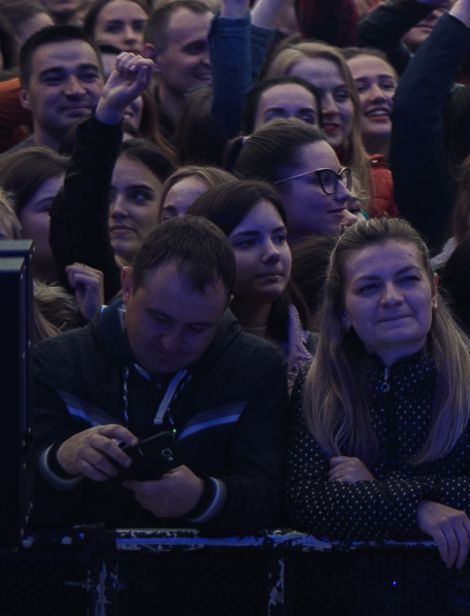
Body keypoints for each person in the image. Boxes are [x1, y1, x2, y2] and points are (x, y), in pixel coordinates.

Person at [285, 217, 470, 563]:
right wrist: (418, 509)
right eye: (368, 288)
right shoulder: (317, 384)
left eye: (408, 280)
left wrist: (374, 487)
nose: (391, 298)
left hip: (459, 585)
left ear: (433, 291)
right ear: (342, 311)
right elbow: (303, 502)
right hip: (347, 585)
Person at [28, 217, 288, 530]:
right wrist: (62, 460)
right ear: (127, 287)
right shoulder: (57, 363)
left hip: (209, 563)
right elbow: (14, 502)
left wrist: (201, 496)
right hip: (80, 561)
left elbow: (269, 498)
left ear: (224, 308)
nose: (171, 343)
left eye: (197, 328)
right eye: (159, 318)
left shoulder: (257, 370)